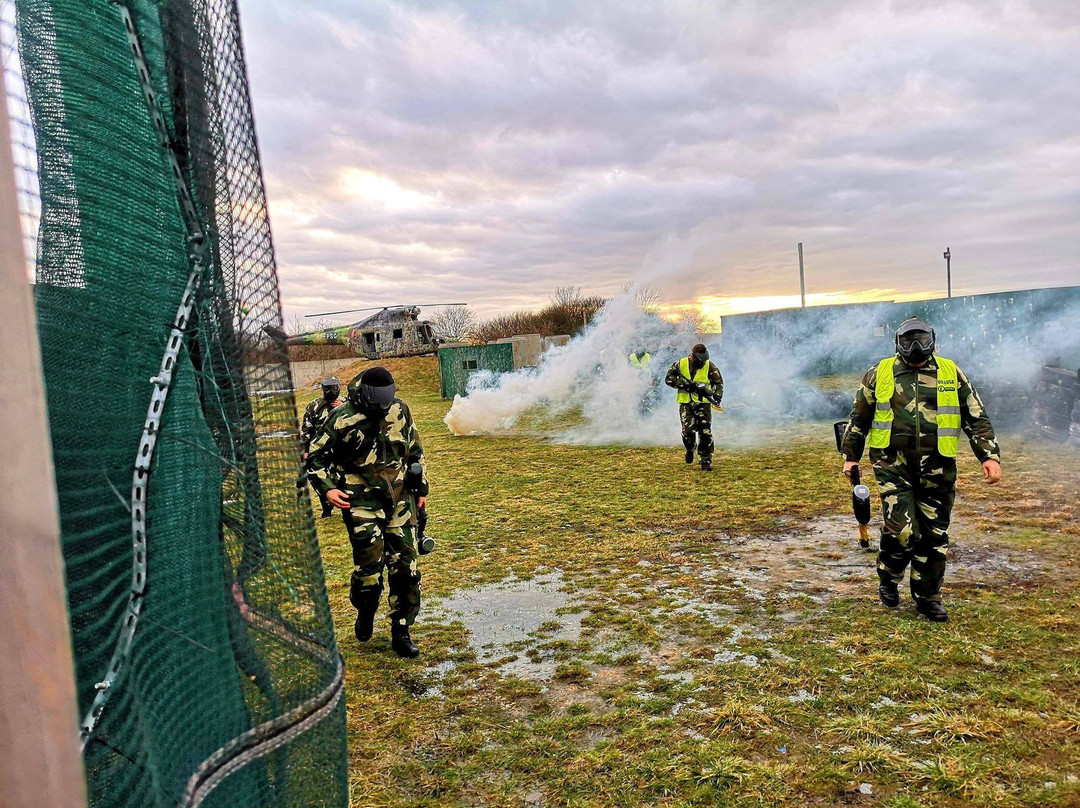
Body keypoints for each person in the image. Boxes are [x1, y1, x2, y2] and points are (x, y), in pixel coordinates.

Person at [841, 317, 1002, 622]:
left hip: (938, 466)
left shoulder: (951, 372)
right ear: (897, 343)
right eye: (908, 341)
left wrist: (989, 456)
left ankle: (928, 596)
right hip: (892, 464)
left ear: (933, 341)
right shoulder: (880, 373)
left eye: (921, 340)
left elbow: (976, 417)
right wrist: (851, 457)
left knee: (933, 534)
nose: (915, 347)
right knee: (901, 530)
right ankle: (888, 577)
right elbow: (858, 417)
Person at [307, 367, 428, 657]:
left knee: (406, 569)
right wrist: (327, 489)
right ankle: (365, 609)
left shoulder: (400, 410)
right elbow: (314, 457)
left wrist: (420, 488)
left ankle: (401, 629)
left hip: (401, 499)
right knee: (369, 572)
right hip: (361, 502)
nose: (382, 408)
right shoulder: (341, 418)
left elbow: (415, 451)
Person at [665, 343, 724, 471]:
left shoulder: (709, 365)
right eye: (700, 361)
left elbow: (718, 383)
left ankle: (705, 460)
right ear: (693, 357)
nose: (702, 363)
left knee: (705, 432)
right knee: (687, 432)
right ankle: (690, 449)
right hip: (686, 404)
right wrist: (684, 385)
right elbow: (669, 378)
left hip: (703, 404)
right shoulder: (680, 364)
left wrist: (717, 396)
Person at [299, 377, 343, 517]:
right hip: (320, 450)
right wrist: (305, 451)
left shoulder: (347, 403)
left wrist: (342, 408)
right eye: (328, 388)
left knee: (343, 479)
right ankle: (326, 508)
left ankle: (346, 506)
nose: (331, 391)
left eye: (334, 388)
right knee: (319, 479)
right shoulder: (315, 406)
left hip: (341, 450)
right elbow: (306, 429)